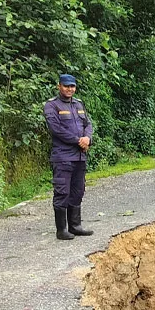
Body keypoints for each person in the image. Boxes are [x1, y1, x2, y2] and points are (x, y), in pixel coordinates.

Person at [43, 73, 94, 240]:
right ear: (59, 86)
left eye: (72, 86)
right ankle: (62, 230)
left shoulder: (79, 104)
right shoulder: (52, 106)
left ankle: (75, 225)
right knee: (62, 192)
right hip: (63, 156)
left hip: (80, 157)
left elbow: (88, 124)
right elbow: (56, 129)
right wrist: (78, 140)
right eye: (66, 86)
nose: (69, 89)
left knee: (77, 191)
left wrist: (88, 138)